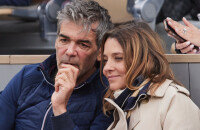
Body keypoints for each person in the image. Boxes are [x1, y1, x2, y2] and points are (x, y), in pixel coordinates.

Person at [0, 0, 113, 129]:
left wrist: (60, 109)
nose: (70, 52)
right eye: (64, 40)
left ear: (100, 52)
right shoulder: (28, 76)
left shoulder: (107, 97)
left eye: (83, 44)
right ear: (56, 41)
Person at [100, 21, 200, 130]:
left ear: (143, 59)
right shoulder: (121, 106)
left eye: (118, 58)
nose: (106, 68)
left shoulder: (173, 100)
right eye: (105, 60)